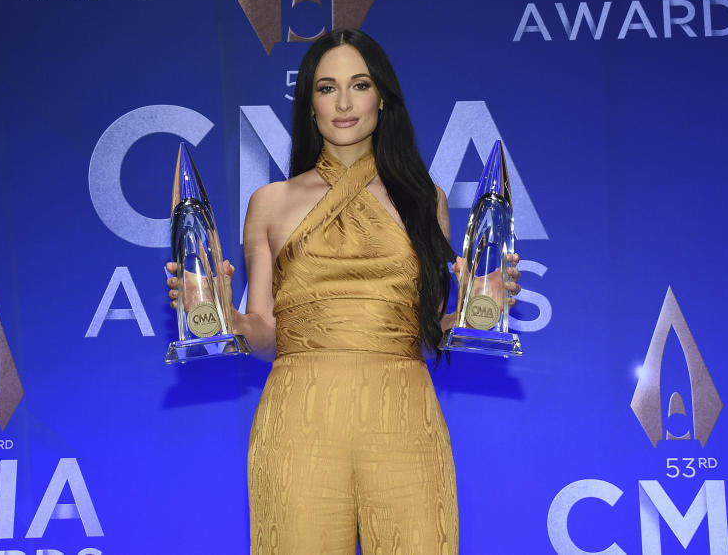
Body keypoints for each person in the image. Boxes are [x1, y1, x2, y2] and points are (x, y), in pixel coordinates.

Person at [168, 28, 521, 554]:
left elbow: (428, 334)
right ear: (309, 103)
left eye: (359, 84)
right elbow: (268, 336)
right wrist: (233, 322)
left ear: (382, 97)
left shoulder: (427, 201)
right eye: (327, 88)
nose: (345, 102)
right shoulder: (270, 202)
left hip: (403, 415)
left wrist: (481, 309)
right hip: (299, 420)